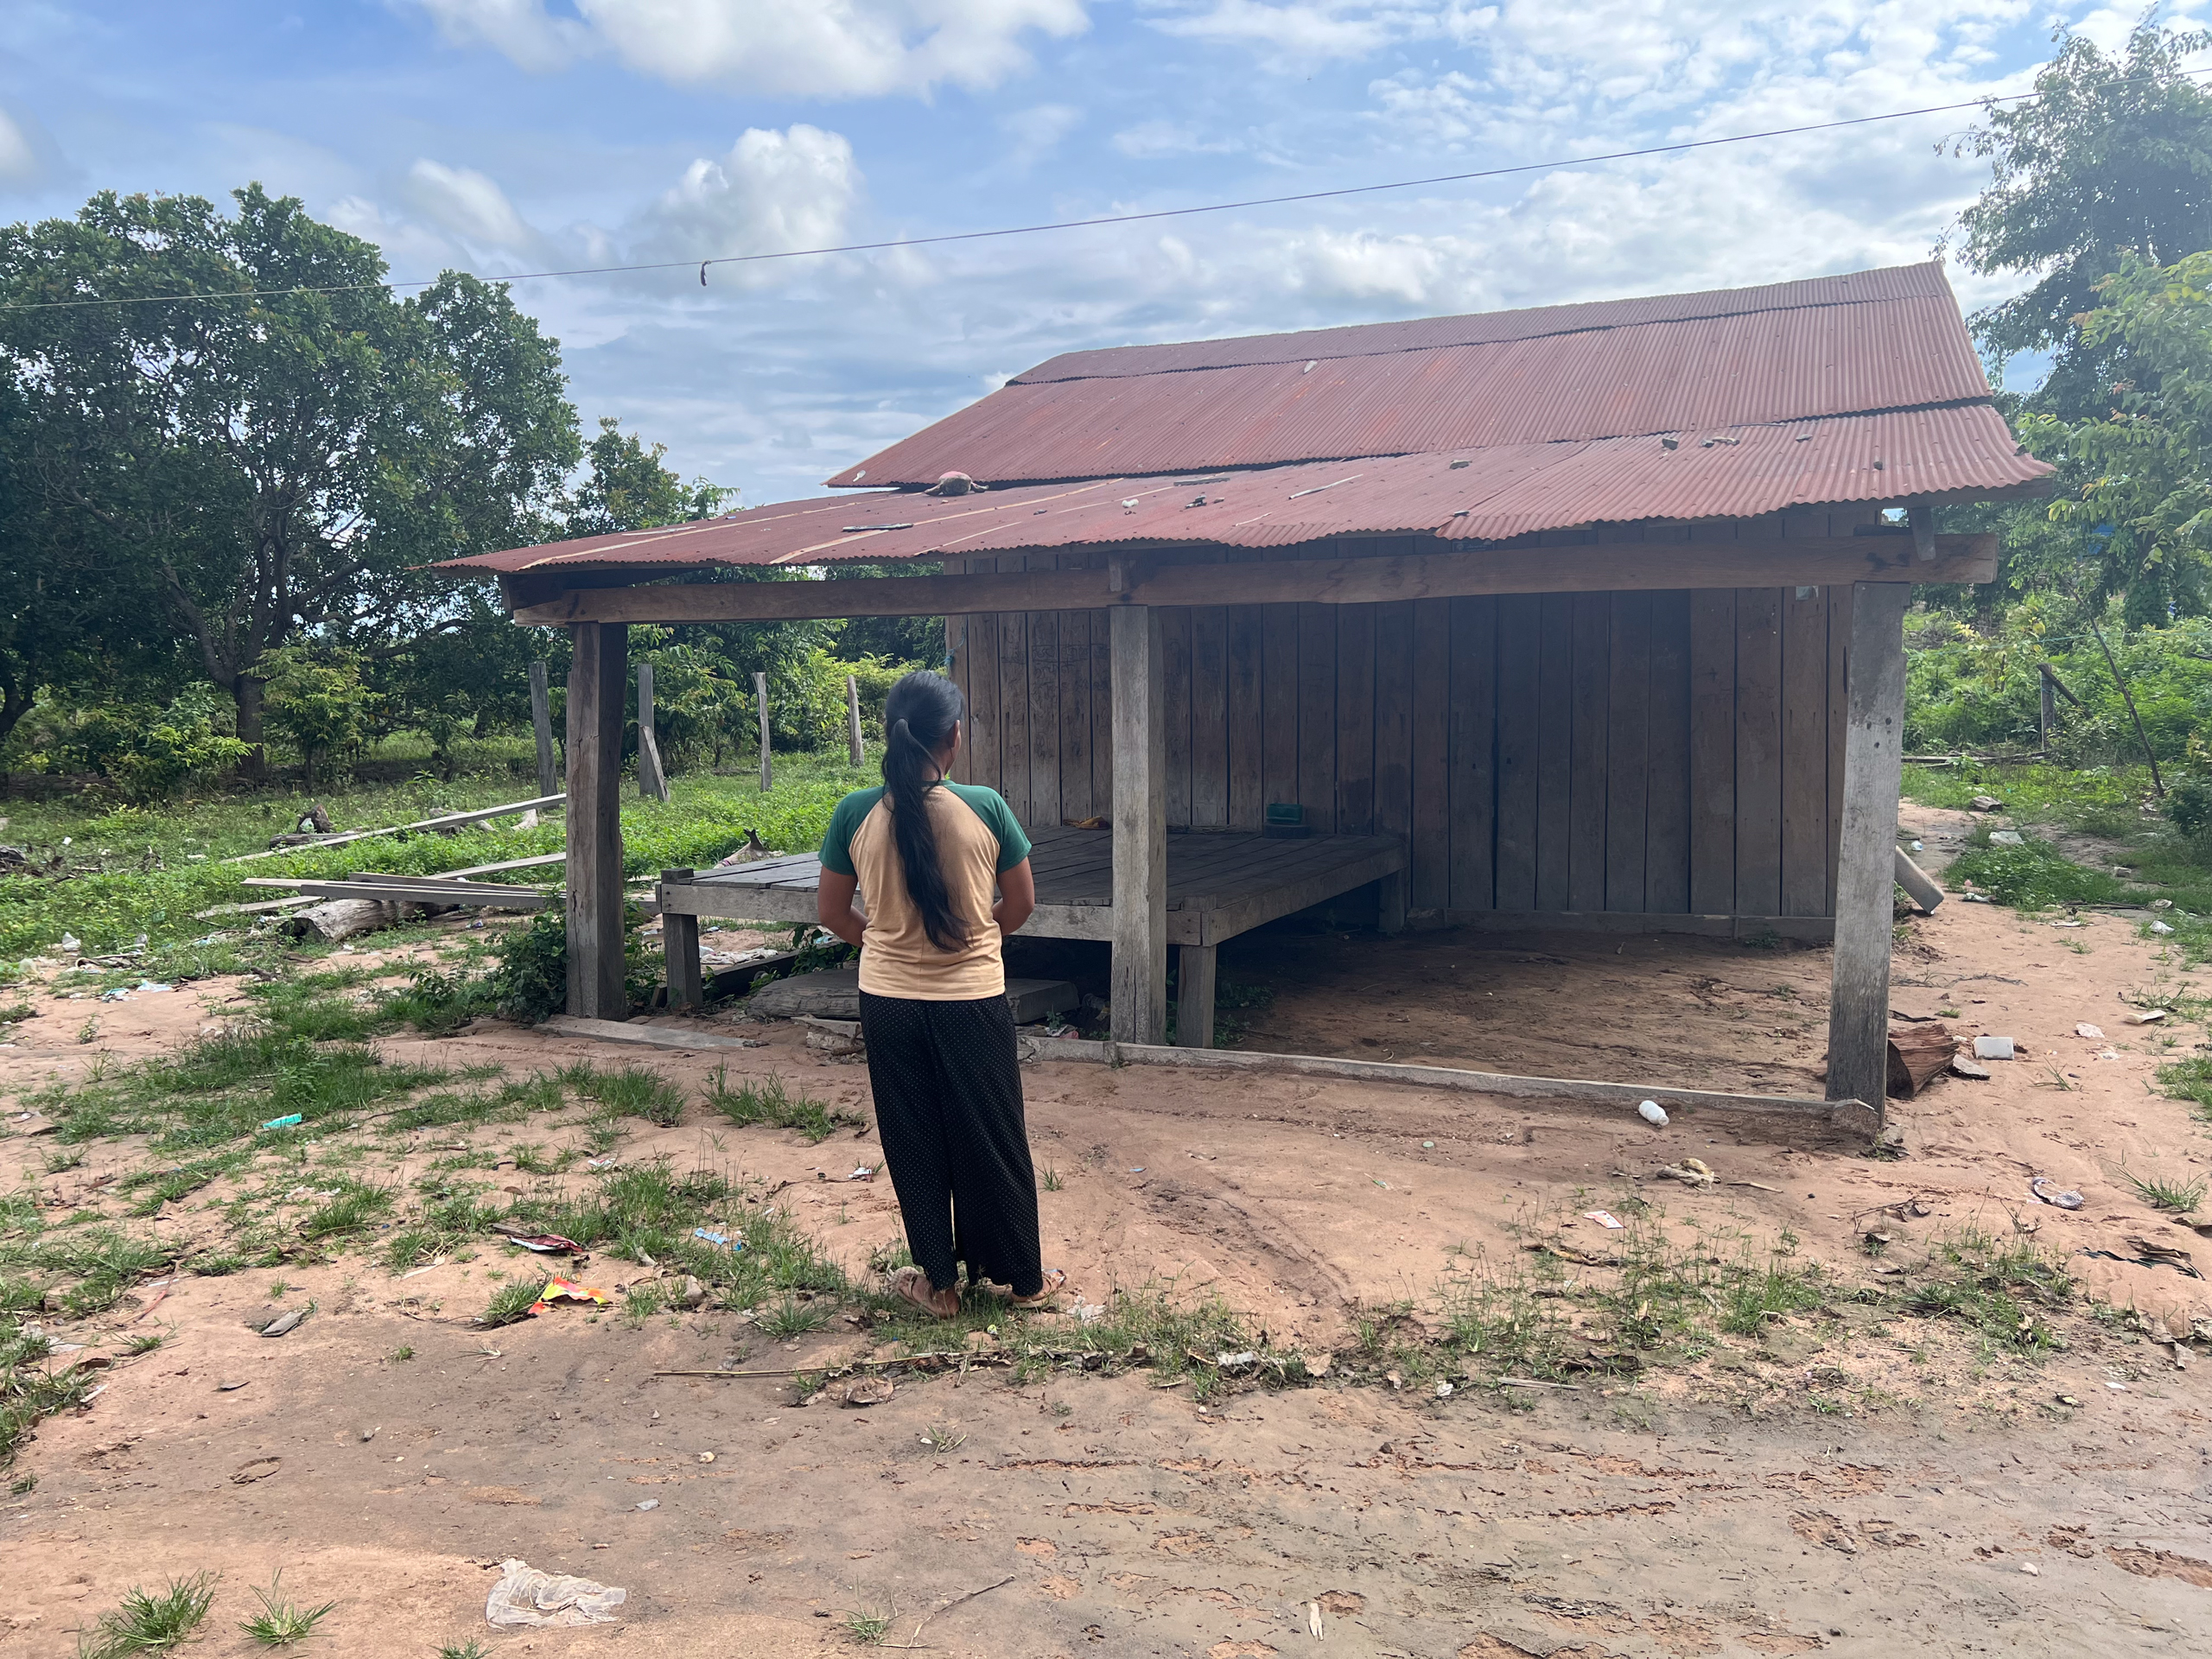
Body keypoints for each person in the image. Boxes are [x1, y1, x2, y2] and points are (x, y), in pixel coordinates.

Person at [817, 670, 1066, 1319]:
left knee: (914, 1138)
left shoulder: (855, 812)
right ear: (954, 736)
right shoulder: (985, 807)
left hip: (888, 1001)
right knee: (992, 1136)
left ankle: (940, 1286)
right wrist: (980, 938)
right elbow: (1022, 902)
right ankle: (1024, 1280)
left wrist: (881, 942)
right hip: (973, 1000)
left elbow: (832, 913)